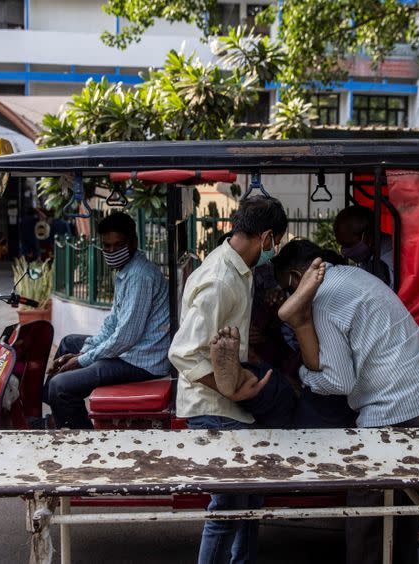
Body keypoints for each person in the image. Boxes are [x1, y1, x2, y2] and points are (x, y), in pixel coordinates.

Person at [272, 239, 419, 564]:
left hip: (400, 409)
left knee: (366, 512)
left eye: (286, 287)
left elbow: (339, 381)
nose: (286, 296)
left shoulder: (323, 300)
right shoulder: (352, 276)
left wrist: (304, 376)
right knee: (405, 502)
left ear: (296, 277)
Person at [168, 196, 289, 564]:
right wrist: (230, 387)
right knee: (228, 505)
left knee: (249, 498)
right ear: (266, 237)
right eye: (276, 242)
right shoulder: (221, 279)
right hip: (214, 408)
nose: (274, 250)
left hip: (230, 404)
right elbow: (184, 352)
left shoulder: (237, 270)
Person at [46, 212, 170, 429]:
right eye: (107, 246)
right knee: (68, 343)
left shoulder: (140, 277)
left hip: (143, 361)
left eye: (118, 245)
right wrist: (84, 352)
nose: (112, 251)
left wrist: (82, 360)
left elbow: (125, 337)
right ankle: (56, 413)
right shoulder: (126, 271)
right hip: (132, 351)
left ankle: (83, 442)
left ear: (133, 242)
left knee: (60, 386)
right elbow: (112, 322)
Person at [333, 205, 394, 287]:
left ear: (367, 236)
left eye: (348, 245)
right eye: (342, 245)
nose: (344, 251)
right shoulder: (370, 257)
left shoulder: (387, 262)